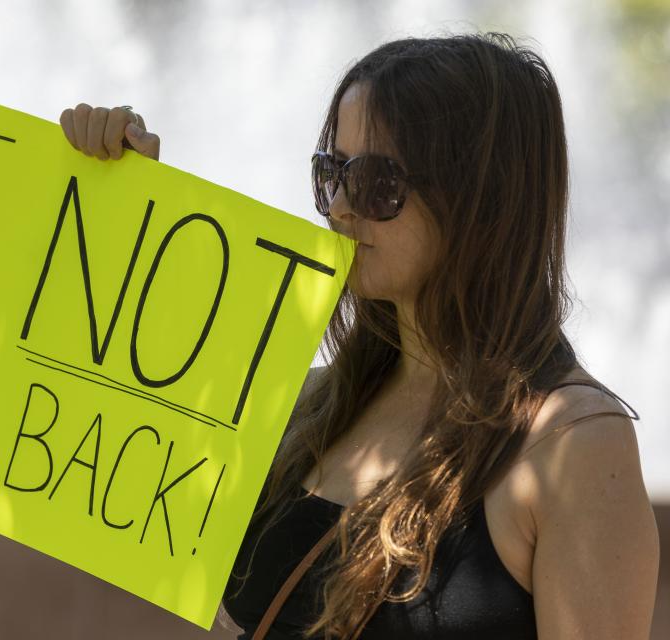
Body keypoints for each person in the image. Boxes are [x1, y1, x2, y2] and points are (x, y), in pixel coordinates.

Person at [58, 31, 659, 640]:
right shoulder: (309, 406)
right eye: (331, 172)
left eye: (377, 182)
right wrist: (122, 200)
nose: (340, 206)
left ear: (482, 197)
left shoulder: (574, 444)